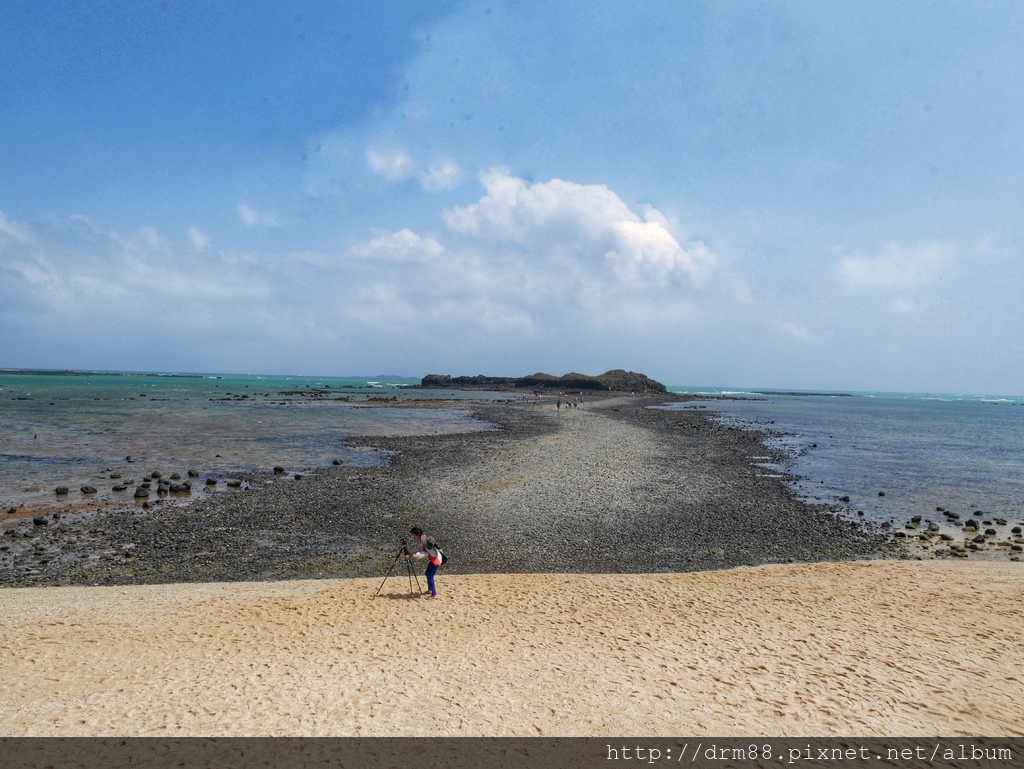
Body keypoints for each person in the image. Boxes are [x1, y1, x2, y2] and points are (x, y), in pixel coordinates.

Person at [405, 526, 443, 599]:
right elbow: (421, 551)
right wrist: (411, 554)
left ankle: (433, 594)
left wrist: (411, 556)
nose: (413, 536)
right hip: (434, 558)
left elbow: (422, 554)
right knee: (427, 573)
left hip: (436, 560)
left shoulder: (424, 542)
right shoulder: (423, 539)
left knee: (430, 576)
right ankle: (430, 590)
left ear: (417, 534)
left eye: (413, 535)